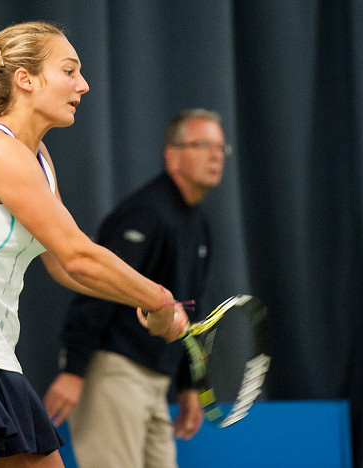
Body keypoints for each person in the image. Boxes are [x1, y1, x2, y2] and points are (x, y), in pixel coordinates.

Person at [0, 21, 188, 468]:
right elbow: (78, 256)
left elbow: (60, 265)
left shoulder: (38, 159)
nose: (83, 84)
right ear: (26, 80)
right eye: (69, 70)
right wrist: (157, 300)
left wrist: (145, 303)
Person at [44, 109, 228, 468]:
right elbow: (96, 288)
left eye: (221, 147)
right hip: (113, 372)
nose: (216, 155)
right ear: (172, 154)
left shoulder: (199, 224)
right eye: (204, 145)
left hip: (157, 380)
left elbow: (190, 310)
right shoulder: (146, 212)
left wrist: (190, 384)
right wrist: (75, 370)